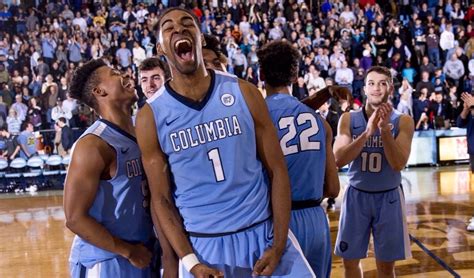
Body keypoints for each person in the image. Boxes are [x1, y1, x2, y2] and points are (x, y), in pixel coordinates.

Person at [136, 8, 314, 278]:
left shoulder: (244, 92)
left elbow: (278, 170)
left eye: (187, 25)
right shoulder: (151, 115)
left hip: (262, 232)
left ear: (200, 38)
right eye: (169, 28)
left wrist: (278, 245)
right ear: (161, 47)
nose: (180, 30)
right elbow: (160, 199)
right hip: (203, 244)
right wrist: (190, 262)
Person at [63, 59, 155, 277]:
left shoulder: (142, 129)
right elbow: (74, 218)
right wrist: (128, 251)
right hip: (108, 258)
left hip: (142, 252)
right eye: (114, 73)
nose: (124, 75)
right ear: (99, 91)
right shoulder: (93, 144)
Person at [258, 40, 340, 278]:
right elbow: (333, 188)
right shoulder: (320, 123)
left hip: (277, 224)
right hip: (316, 221)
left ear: (261, 74)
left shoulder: (256, 120)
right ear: (295, 76)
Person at [333, 66, 414, 278]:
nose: (376, 88)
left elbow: (398, 163)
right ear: (365, 89)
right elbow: (338, 159)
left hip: (389, 198)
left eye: (382, 83)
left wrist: (384, 131)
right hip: (356, 195)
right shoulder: (349, 119)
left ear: (391, 90)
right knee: (350, 263)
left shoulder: (403, 121)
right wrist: (368, 133)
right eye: (371, 83)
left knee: (387, 268)